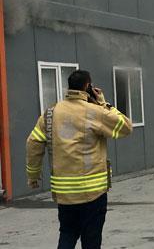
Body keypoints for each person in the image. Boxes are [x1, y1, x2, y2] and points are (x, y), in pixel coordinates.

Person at [26, 70, 132, 249]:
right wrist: (103, 103)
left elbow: (33, 142)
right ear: (87, 87)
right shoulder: (96, 112)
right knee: (91, 239)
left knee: (67, 233)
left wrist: (33, 174)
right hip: (93, 193)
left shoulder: (50, 114)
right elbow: (126, 126)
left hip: (65, 194)